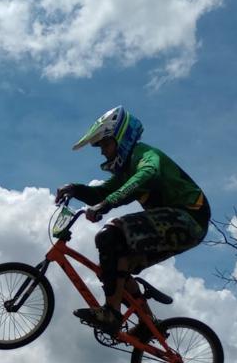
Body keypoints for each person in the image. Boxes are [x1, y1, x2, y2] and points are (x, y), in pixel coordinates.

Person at [56, 105, 210, 336]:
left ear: (122, 139)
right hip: (179, 226)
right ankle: (149, 324)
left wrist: (107, 204)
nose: (103, 152)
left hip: (189, 217)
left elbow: (145, 175)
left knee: (109, 235)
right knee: (114, 267)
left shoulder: (146, 156)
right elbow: (100, 193)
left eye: (105, 144)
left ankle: (111, 313)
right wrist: (74, 189)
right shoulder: (126, 171)